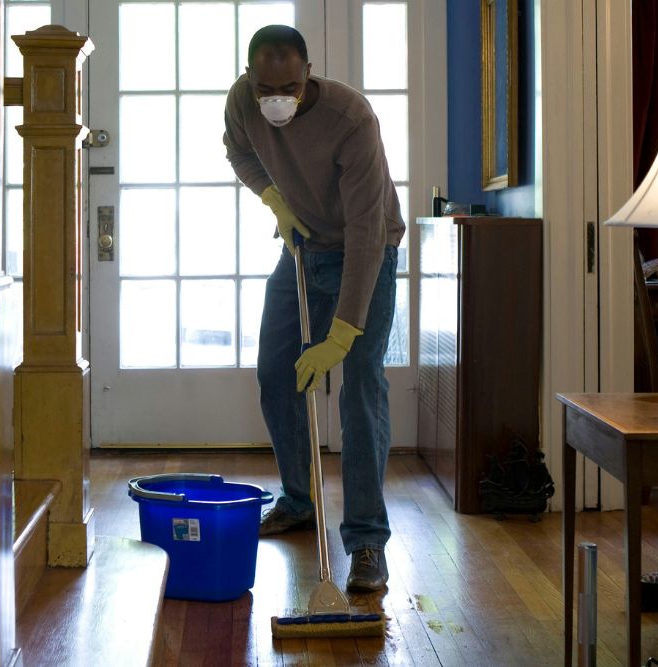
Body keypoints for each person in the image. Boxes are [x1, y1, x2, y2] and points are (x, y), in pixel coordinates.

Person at [223, 25, 405, 593]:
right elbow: (239, 151)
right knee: (277, 371)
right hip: (301, 250)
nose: (278, 97)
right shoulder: (241, 101)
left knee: (360, 386)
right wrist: (274, 200)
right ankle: (299, 501)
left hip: (367, 252)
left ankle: (368, 541)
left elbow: (366, 232)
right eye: (265, 87)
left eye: (290, 86)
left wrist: (342, 333)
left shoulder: (351, 119)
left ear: (308, 75)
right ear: (251, 78)